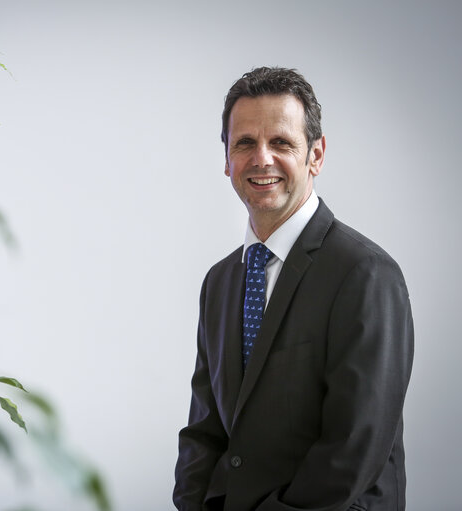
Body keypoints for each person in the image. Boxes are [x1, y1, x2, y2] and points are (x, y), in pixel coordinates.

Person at [173, 67, 414, 511]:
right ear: (227, 159)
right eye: (245, 143)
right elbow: (204, 432)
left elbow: (352, 449)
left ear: (315, 155)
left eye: (281, 142)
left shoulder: (366, 274)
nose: (261, 158)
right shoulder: (221, 282)